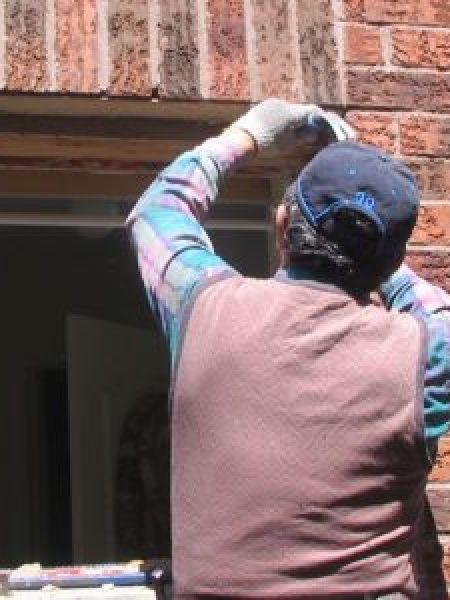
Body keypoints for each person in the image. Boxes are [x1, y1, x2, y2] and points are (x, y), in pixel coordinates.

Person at [127, 99, 450, 599]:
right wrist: (376, 252)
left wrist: (246, 134)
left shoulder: (202, 309)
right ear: (388, 267)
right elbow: (430, 307)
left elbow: (157, 213)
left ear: (282, 226)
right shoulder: (425, 354)